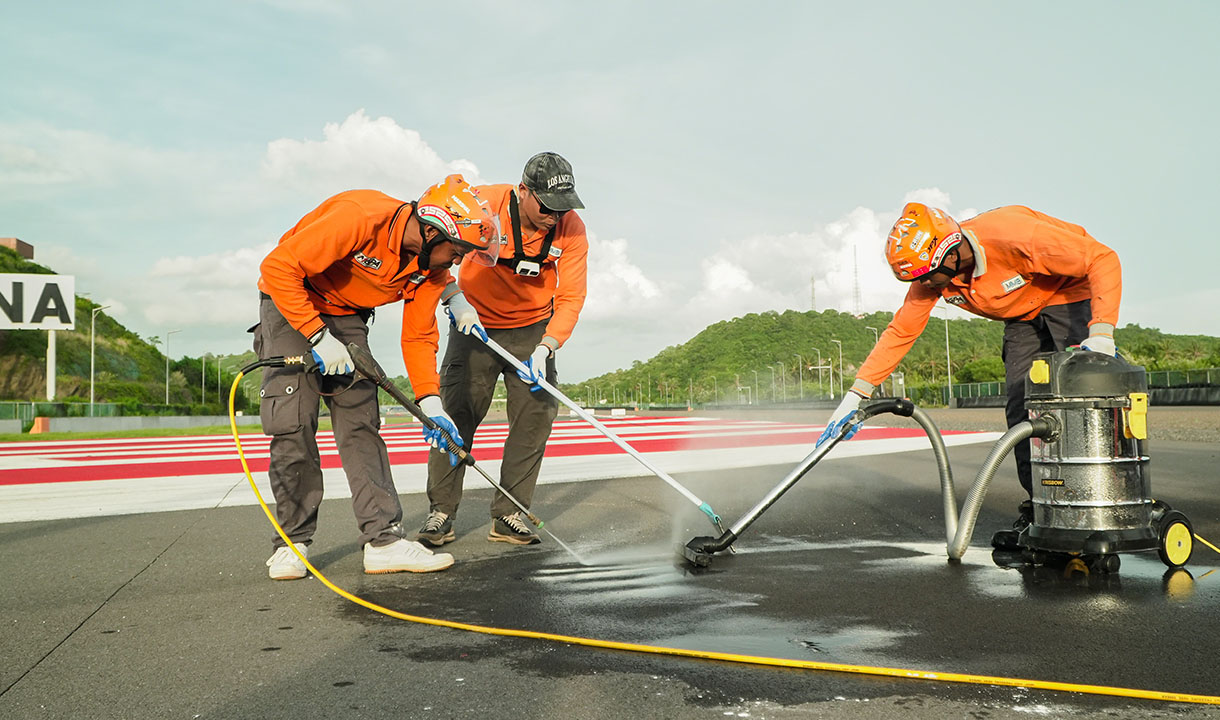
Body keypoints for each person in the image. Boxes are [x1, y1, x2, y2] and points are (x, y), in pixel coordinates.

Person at [816, 202, 1122, 546]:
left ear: (949, 253)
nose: (924, 286)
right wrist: (856, 395)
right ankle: (1043, 509)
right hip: (1022, 316)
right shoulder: (933, 279)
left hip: (1070, 294)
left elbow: (1102, 258)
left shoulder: (1013, 234)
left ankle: (1105, 500)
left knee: (1081, 397)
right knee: (1024, 409)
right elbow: (901, 331)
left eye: (927, 276)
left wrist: (1101, 332)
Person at [255, 174, 502, 580]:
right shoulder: (361, 216)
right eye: (456, 251)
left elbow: (419, 335)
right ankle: (292, 543)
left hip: (346, 313)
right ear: (430, 230)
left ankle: (383, 541)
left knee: (361, 421)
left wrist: (431, 402)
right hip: (290, 300)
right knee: (293, 422)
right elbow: (279, 267)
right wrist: (317, 335)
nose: (456, 261)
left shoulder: (429, 270)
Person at [417, 152, 588, 547]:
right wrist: (452, 296)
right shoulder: (485, 203)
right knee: (457, 415)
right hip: (474, 323)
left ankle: (509, 512)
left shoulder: (571, 229)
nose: (554, 216)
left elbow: (572, 295)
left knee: (535, 418)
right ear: (523, 190)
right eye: (547, 206)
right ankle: (441, 511)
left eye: (563, 208)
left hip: (533, 330)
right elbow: (432, 237)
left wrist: (549, 345)